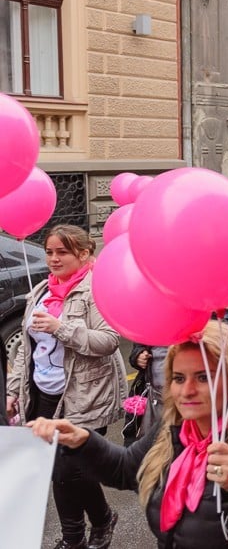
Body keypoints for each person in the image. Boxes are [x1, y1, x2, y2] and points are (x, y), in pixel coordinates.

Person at [30, 321, 228, 549]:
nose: (187, 391)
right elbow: (126, 468)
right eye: (179, 378)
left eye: (203, 377)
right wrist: (83, 441)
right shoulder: (175, 426)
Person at [6, 224, 126, 549]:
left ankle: (76, 538)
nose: (54, 259)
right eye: (49, 252)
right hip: (45, 396)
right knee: (64, 470)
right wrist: (14, 391)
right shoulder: (43, 290)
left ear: (84, 253)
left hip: (85, 396)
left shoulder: (97, 290)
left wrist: (62, 328)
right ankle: (99, 521)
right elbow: (25, 351)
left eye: (63, 252)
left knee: (65, 471)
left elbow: (109, 341)